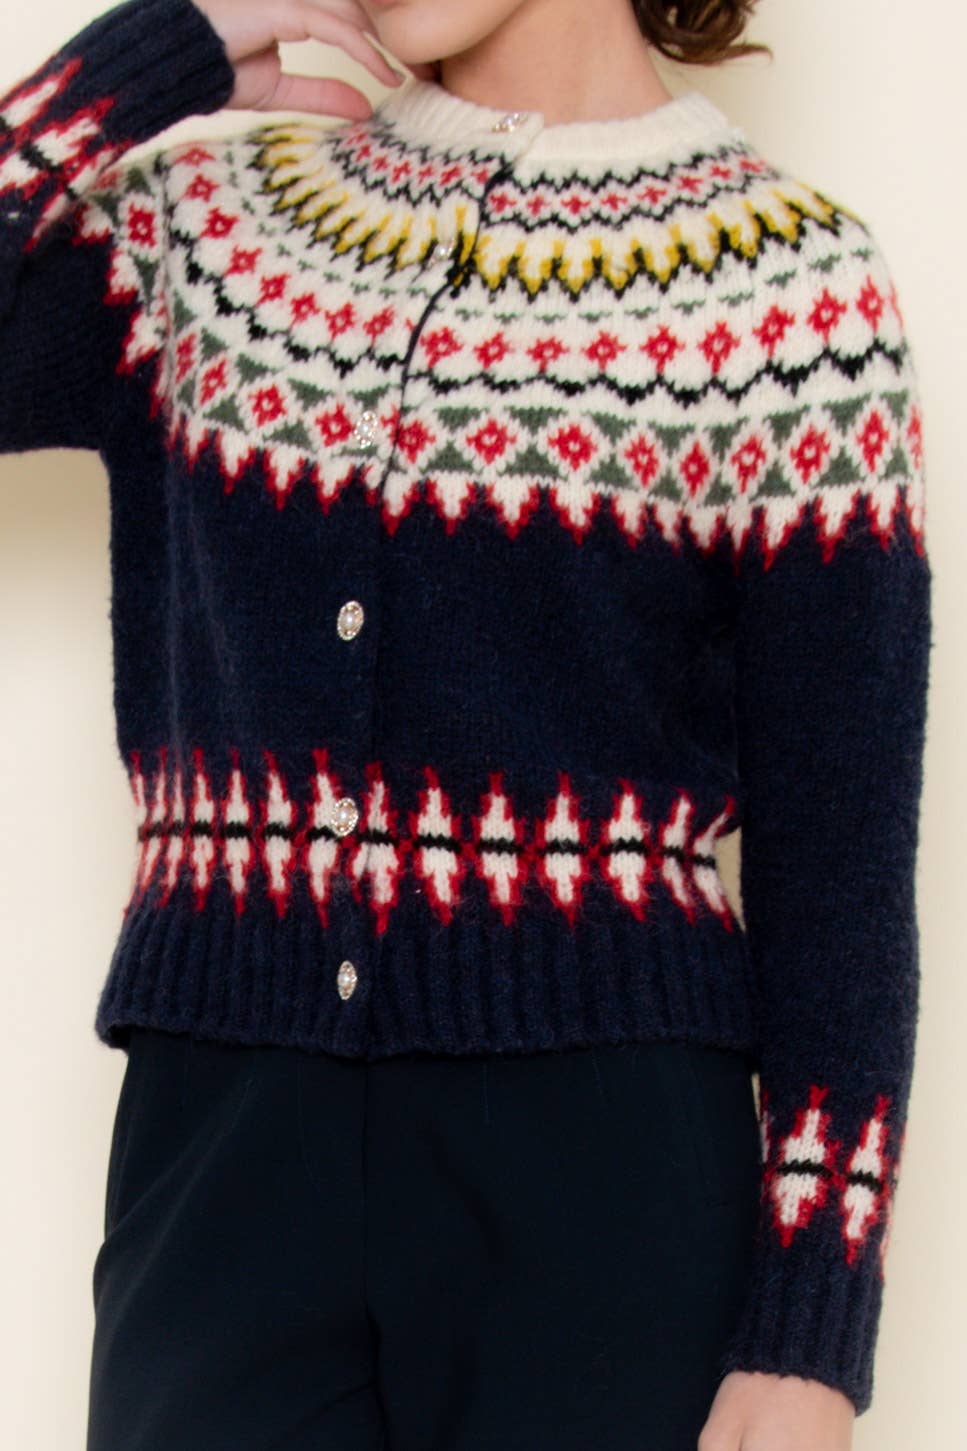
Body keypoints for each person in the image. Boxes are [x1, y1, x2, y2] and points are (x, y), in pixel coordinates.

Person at [0, 1, 932, 1448]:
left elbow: (843, 872)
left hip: (605, 1184)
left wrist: (812, 1329)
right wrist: (160, 52)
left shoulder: (791, 295)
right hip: (222, 1153)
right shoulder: (208, 221)